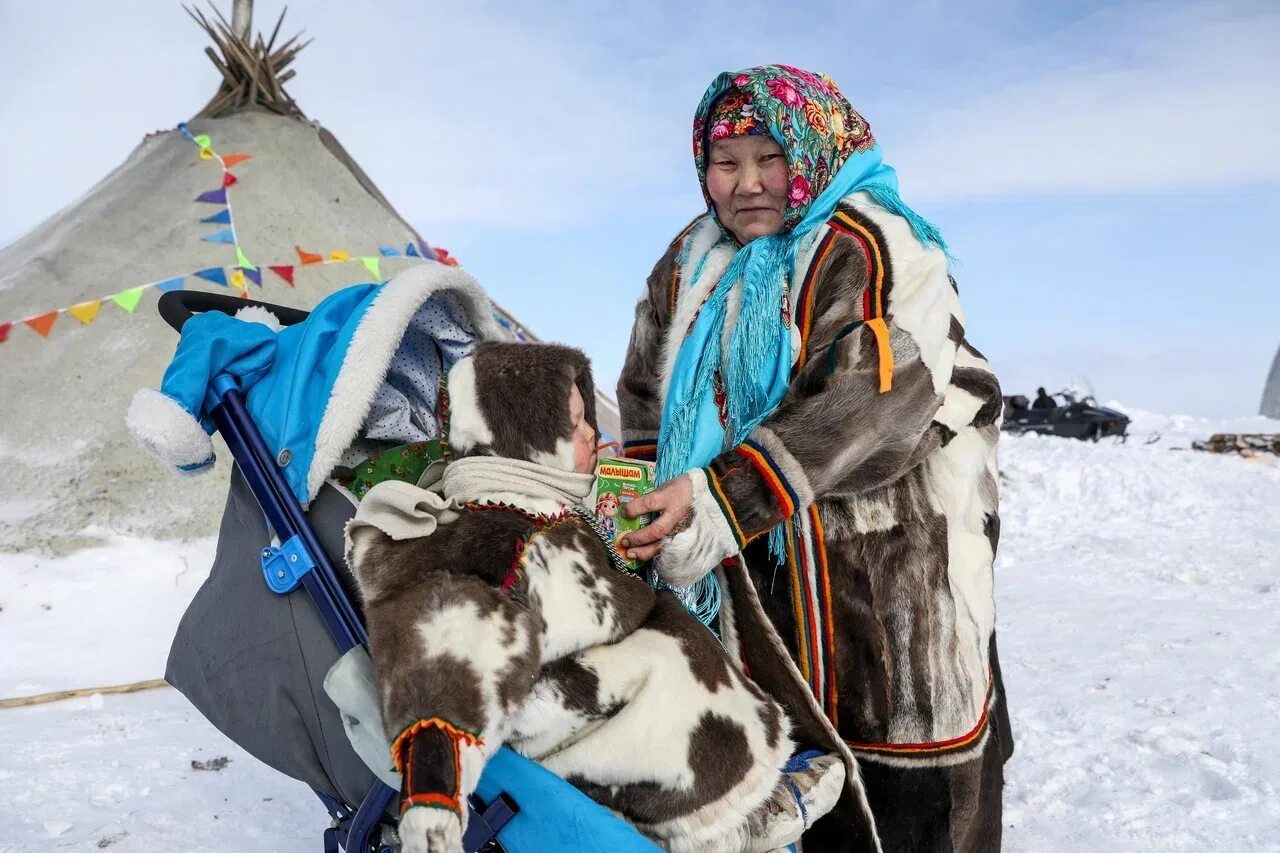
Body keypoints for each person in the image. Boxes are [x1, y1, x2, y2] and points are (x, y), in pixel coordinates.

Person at [616, 65, 1013, 852]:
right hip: (754, 605)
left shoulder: (870, 243)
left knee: (908, 813)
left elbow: (877, 398)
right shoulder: (688, 266)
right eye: (726, 164)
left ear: (815, 150)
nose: (748, 183)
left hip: (890, 593)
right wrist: (633, 490)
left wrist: (721, 498)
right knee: (782, 799)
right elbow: (642, 392)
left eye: (770, 157)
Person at [346, 341, 846, 853]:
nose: (592, 433)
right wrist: (435, 788)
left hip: (613, 709)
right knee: (665, 707)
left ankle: (740, 809)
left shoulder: (526, 510)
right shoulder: (501, 536)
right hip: (602, 724)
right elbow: (451, 645)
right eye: (577, 423)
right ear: (533, 439)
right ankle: (729, 826)